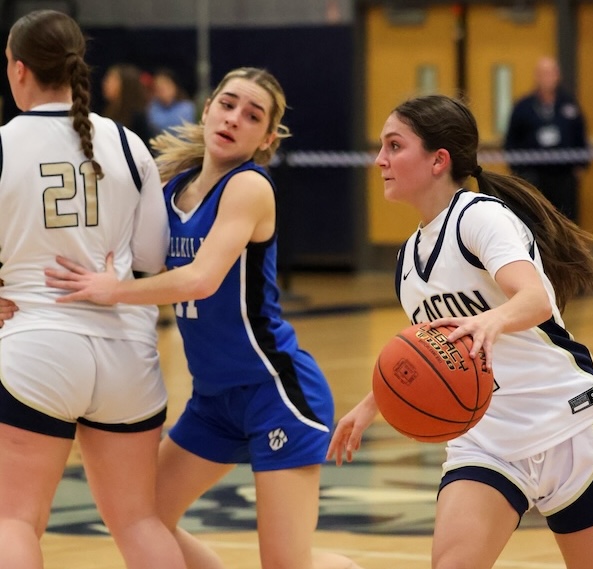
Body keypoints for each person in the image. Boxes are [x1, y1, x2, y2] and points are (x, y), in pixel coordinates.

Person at [42, 67, 363, 569]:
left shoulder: (250, 187)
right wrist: (18, 291)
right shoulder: (170, 187)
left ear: (266, 138)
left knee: (286, 564)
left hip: (274, 392)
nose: (235, 118)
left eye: (252, 115)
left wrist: (116, 292)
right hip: (214, 398)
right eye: (228, 104)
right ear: (208, 106)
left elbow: (200, 279)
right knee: (142, 517)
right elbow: (99, 245)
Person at [327, 95, 593, 569]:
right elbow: (431, 350)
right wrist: (374, 403)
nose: (380, 160)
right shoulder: (407, 261)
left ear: (437, 160)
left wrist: (489, 321)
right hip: (486, 440)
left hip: (565, 424)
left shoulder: (479, 216)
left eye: (394, 145)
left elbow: (535, 299)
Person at [0, 10, 187, 569]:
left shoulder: (5, 142)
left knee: (14, 520)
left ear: (19, 70)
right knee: (138, 521)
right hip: (127, 354)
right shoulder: (129, 144)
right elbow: (153, 260)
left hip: (37, 346)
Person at [504, 56, 589, 222]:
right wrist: (518, 170)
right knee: (535, 221)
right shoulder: (523, 107)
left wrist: (581, 165)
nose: (547, 77)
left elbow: (580, 135)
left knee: (565, 221)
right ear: (536, 76)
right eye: (543, 73)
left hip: (563, 176)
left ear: (558, 75)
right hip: (533, 176)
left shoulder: (569, 104)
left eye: (551, 73)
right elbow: (511, 140)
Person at [101, 63, 154, 145]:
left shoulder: (138, 118)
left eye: (112, 79)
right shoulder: (108, 111)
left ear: (126, 85)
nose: (105, 83)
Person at [147, 67, 196, 136]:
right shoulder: (151, 107)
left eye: (166, 87)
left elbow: (179, 130)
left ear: (175, 86)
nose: (163, 92)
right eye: (159, 88)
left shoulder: (187, 107)